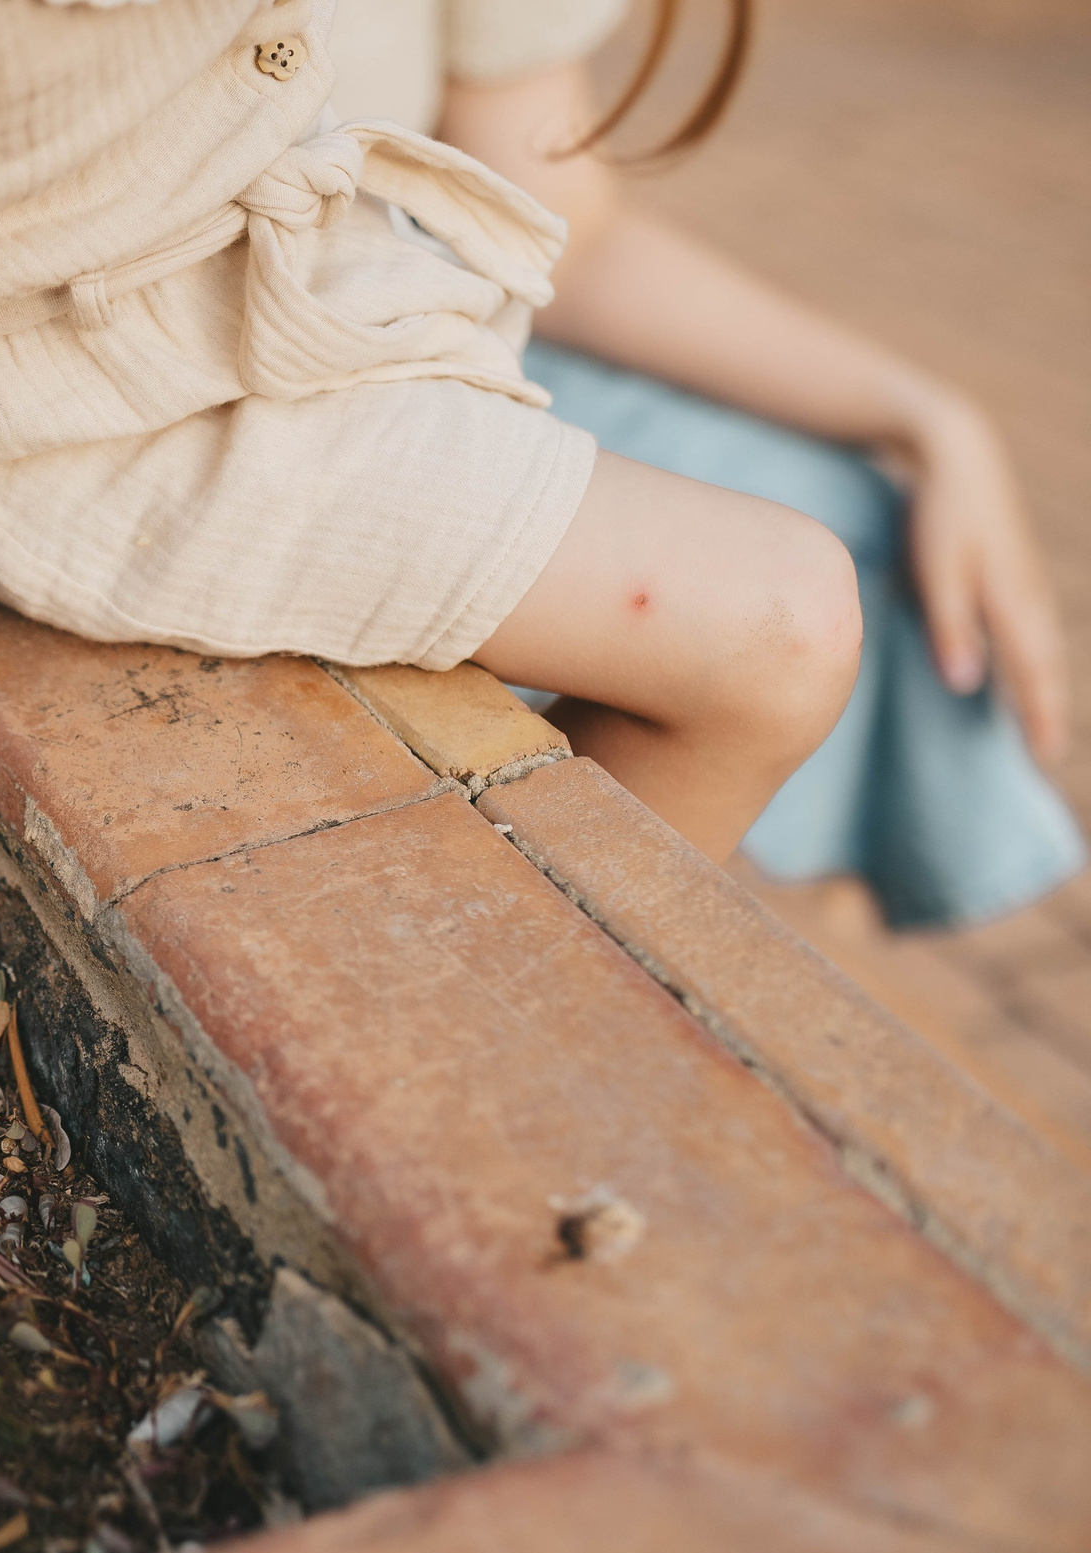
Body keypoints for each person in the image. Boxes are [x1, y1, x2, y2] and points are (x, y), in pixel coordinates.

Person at [0, 0, 876, 1207]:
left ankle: (518, 1041)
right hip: (96, 428)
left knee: (801, 573)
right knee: (780, 623)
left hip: (268, 288)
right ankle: (515, 1096)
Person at [328, 0, 1079, 932]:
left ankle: (767, 910)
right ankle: (520, 979)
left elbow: (567, 229)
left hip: (427, 308)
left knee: (857, 518)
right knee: (773, 616)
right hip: (275, 362)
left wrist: (932, 420)